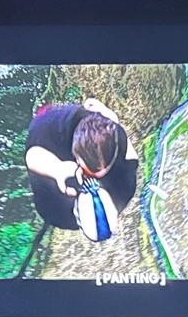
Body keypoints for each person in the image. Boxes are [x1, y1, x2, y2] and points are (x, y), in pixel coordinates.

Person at [23, 98, 139, 238]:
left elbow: (31, 156)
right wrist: (58, 169)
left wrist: (112, 121)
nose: (88, 177)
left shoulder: (125, 180)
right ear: (75, 155)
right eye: (88, 171)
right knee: (44, 113)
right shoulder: (46, 126)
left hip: (78, 125)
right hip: (52, 122)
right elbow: (31, 154)